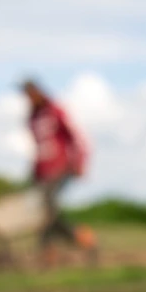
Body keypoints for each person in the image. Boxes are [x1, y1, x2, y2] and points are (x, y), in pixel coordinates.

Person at [22, 78, 98, 269]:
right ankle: (71, 243)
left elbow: (75, 135)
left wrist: (80, 161)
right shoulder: (32, 118)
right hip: (42, 171)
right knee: (44, 213)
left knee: (47, 210)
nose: (28, 99)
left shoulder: (55, 111)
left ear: (38, 92)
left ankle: (59, 249)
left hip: (61, 167)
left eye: (31, 94)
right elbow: (38, 147)